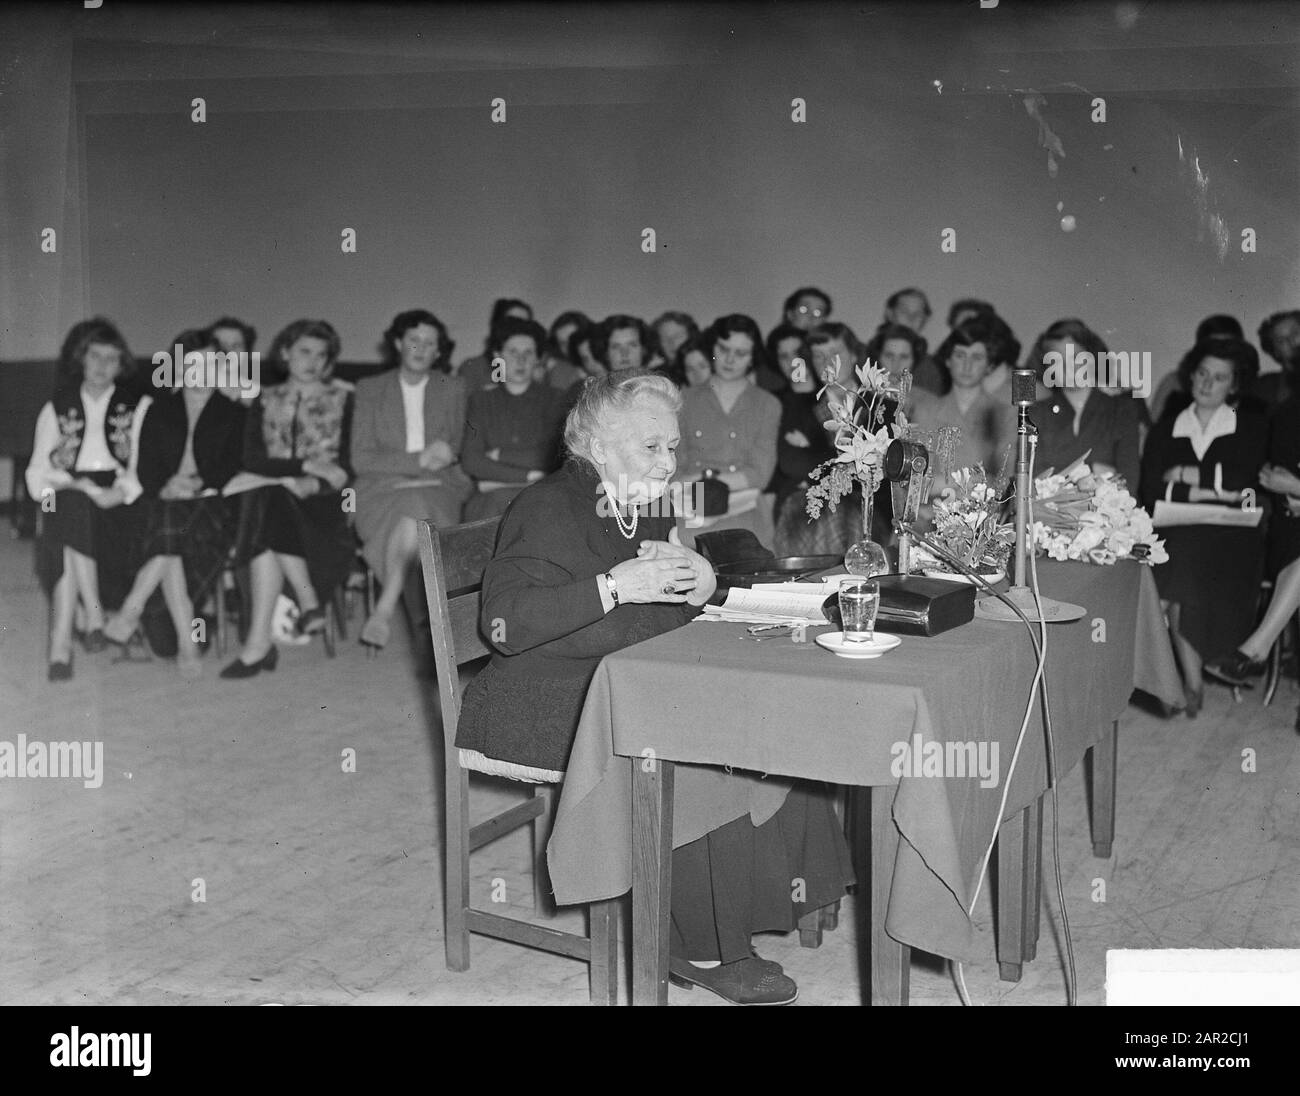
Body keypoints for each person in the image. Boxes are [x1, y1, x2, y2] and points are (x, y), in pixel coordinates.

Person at [456, 370, 852, 1004]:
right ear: (596, 443)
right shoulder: (548, 505)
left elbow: (668, 601)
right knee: (699, 739)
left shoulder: (642, 505)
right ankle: (695, 944)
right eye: (652, 447)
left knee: (767, 707)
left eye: (672, 447)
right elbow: (507, 625)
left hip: (625, 676)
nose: (668, 464)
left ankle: (787, 890)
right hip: (540, 695)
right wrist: (614, 586)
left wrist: (703, 583)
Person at [105, 329, 244, 677]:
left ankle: (131, 610)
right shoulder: (160, 408)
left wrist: (197, 484)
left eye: (211, 364)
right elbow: (146, 466)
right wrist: (166, 485)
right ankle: (186, 641)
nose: (202, 373)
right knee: (169, 523)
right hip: (164, 503)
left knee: (171, 528)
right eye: (192, 365)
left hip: (210, 507)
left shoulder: (232, 412)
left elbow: (231, 466)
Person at [1139, 338, 1267, 716]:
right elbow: (1152, 489)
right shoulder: (1168, 428)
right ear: (1190, 375)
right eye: (1202, 374)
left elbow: (1252, 495)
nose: (1208, 384)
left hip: (1234, 539)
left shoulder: (1251, 428)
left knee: (1178, 565)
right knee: (1182, 558)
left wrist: (1188, 478)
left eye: (1220, 377)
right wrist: (1217, 489)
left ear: (1234, 385)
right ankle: (1190, 685)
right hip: (1178, 534)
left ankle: (1177, 682)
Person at [222, 319, 354, 678]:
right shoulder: (264, 399)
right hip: (277, 501)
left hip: (323, 508)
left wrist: (316, 485)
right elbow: (252, 459)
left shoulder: (344, 399)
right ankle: (304, 601)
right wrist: (305, 465)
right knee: (271, 495)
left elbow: (349, 465)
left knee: (267, 500)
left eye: (320, 354)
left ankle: (259, 643)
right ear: (285, 352)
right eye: (304, 351)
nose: (312, 361)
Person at [25, 318, 148, 681]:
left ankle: (62, 643)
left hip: (117, 502)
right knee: (67, 506)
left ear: (121, 364)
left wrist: (121, 491)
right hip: (62, 493)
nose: (102, 367)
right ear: (81, 359)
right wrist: (63, 488)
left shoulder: (136, 405)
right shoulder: (57, 406)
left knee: (68, 519)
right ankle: (86, 620)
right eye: (95, 356)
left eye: (112, 359)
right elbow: (36, 472)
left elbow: (142, 466)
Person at [352, 310, 473, 650]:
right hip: (381, 490)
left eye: (430, 343)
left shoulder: (454, 387)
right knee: (415, 513)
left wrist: (445, 455)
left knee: (416, 510)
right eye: (413, 340)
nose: (421, 349)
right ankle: (423, 623)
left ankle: (384, 609)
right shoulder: (370, 389)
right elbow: (361, 459)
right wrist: (420, 461)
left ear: (439, 351)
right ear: (397, 343)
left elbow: (458, 447)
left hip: (440, 487)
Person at [1204, 389, 1300, 713]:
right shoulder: (1287, 413)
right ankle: (1254, 652)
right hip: (1290, 536)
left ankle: (1255, 650)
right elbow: (1267, 476)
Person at [676, 315, 782, 548]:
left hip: (745, 511)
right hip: (690, 508)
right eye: (724, 349)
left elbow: (760, 474)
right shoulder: (683, 399)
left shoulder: (767, 404)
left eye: (741, 353)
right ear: (712, 347)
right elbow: (674, 468)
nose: (730, 359)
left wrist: (706, 482)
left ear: (753, 358)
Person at [461, 317, 568, 520]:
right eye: (513, 352)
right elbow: (472, 461)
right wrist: (531, 476)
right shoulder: (481, 401)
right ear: (497, 357)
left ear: (538, 358)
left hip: (541, 497)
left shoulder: (555, 398)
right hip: (491, 501)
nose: (521, 361)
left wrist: (499, 455)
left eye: (528, 353)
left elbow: (550, 456)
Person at [1027, 319, 1142, 488]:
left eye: (1075, 357)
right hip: (1050, 514)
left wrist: (1062, 477)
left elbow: (1128, 483)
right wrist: (1095, 471)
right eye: (1056, 360)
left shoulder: (1121, 410)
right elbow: (1032, 481)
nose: (1067, 367)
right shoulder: (1038, 414)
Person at [910, 318, 1017, 494]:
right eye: (960, 355)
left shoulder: (1004, 414)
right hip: (933, 513)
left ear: (989, 365)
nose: (967, 366)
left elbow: (1006, 479)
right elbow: (915, 480)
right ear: (948, 360)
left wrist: (947, 483)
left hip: (986, 514)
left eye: (977, 357)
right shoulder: (925, 410)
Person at [1148, 314, 1244, 423]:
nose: (1219, 355)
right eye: (1212, 349)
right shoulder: (1174, 384)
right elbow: (1154, 430)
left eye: (1227, 348)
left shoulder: (1255, 393)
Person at [457, 298, 534, 392]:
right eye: (512, 322)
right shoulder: (474, 368)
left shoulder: (535, 368)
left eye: (524, 324)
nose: (518, 329)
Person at [863, 321, 942, 396]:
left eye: (904, 357)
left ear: (914, 360)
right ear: (878, 357)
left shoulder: (929, 403)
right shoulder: (860, 399)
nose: (895, 364)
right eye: (889, 356)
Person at [1251, 309, 1300, 410]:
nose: (1292, 342)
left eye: (1296, 333)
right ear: (1275, 351)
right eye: (1281, 340)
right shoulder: (1263, 388)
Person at [541, 310, 589, 391]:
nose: (569, 347)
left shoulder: (603, 366)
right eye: (563, 343)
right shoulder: (558, 371)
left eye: (573, 340)